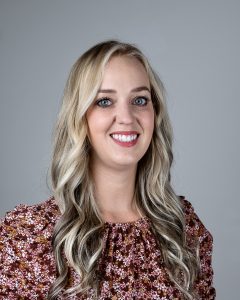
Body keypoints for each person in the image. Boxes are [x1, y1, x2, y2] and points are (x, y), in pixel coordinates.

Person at [0, 40, 216, 299]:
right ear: (80, 117)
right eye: (104, 101)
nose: (126, 117)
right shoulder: (29, 235)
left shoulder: (182, 229)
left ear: (154, 114)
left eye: (139, 99)